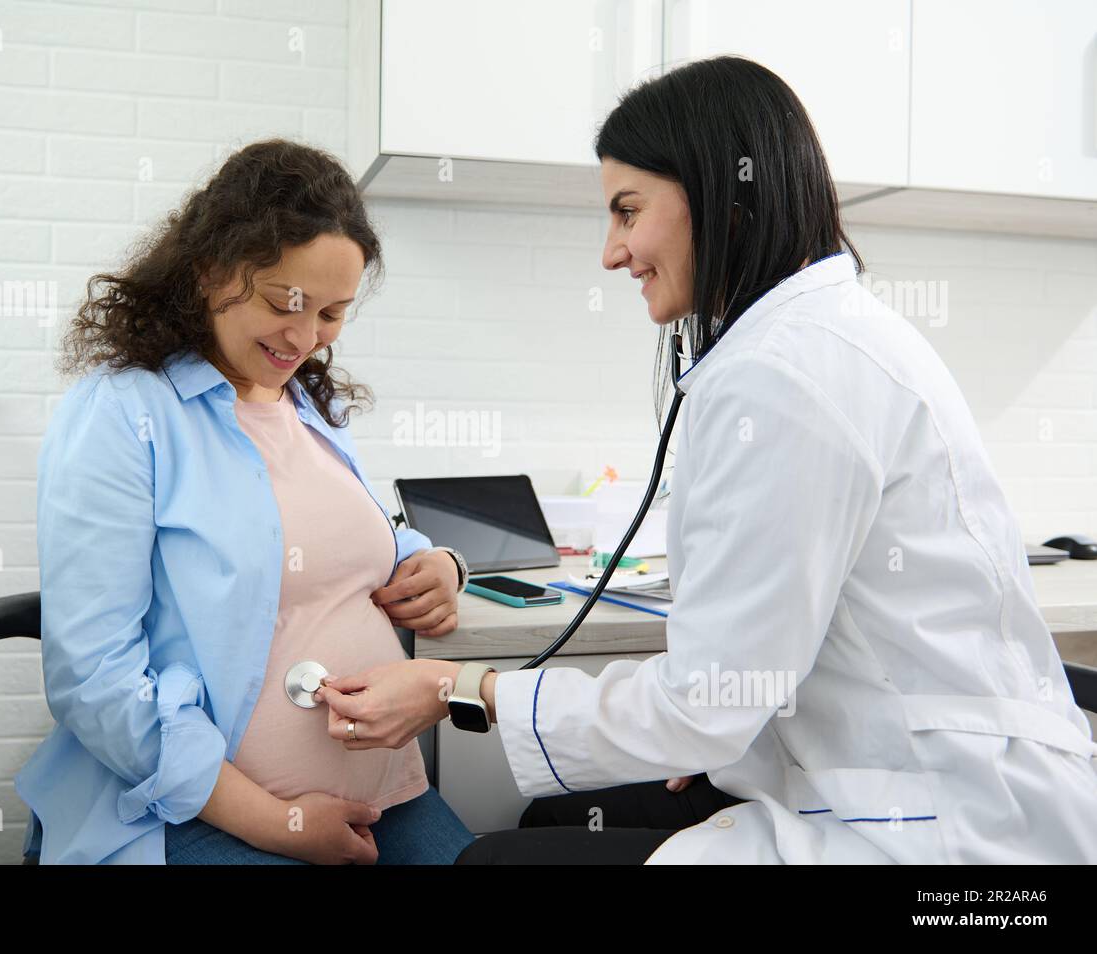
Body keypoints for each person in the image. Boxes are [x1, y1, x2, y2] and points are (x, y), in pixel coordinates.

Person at [312, 57, 1097, 864]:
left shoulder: (787, 376)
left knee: (491, 860)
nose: (611, 253)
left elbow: (704, 704)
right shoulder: (817, 339)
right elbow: (756, 671)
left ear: (723, 196)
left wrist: (455, 688)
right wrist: (719, 740)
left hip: (947, 834)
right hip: (905, 774)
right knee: (557, 819)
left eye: (628, 211)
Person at [16, 138, 475, 864]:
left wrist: (438, 565)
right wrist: (277, 823)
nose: (306, 337)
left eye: (331, 313)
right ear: (211, 270)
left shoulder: (305, 405)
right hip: (199, 813)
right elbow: (92, 678)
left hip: (384, 797)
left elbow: (344, 541)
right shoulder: (126, 411)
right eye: (285, 303)